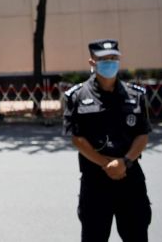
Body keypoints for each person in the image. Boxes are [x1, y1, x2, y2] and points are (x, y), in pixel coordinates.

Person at [63, 39, 152, 242]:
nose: (110, 63)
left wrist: (125, 162)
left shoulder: (136, 95)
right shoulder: (76, 96)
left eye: (113, 58)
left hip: (130, 178)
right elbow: (77, 138)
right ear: (92, 62)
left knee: (137, 235)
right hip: (95, 181)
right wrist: (107, 164)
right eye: (103, 59)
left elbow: (142, 134)